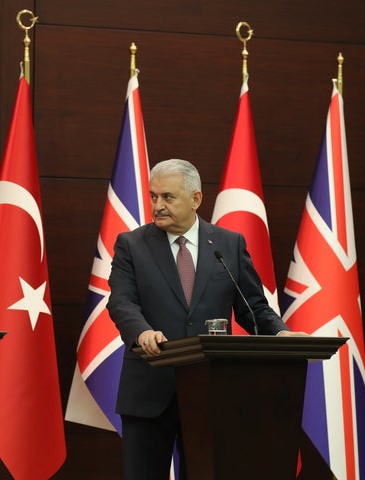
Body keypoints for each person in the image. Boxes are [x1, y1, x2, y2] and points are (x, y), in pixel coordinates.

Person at [107, 158, 306, 480]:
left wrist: (281, 335)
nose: (158, 205)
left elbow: (253, 306)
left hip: (211, 391)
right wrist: (142, 333)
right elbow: (122, 302)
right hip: (150, 387)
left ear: (195, 198)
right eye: (153, 196)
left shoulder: (229, 244)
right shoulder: (131, 245)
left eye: (168, 197)